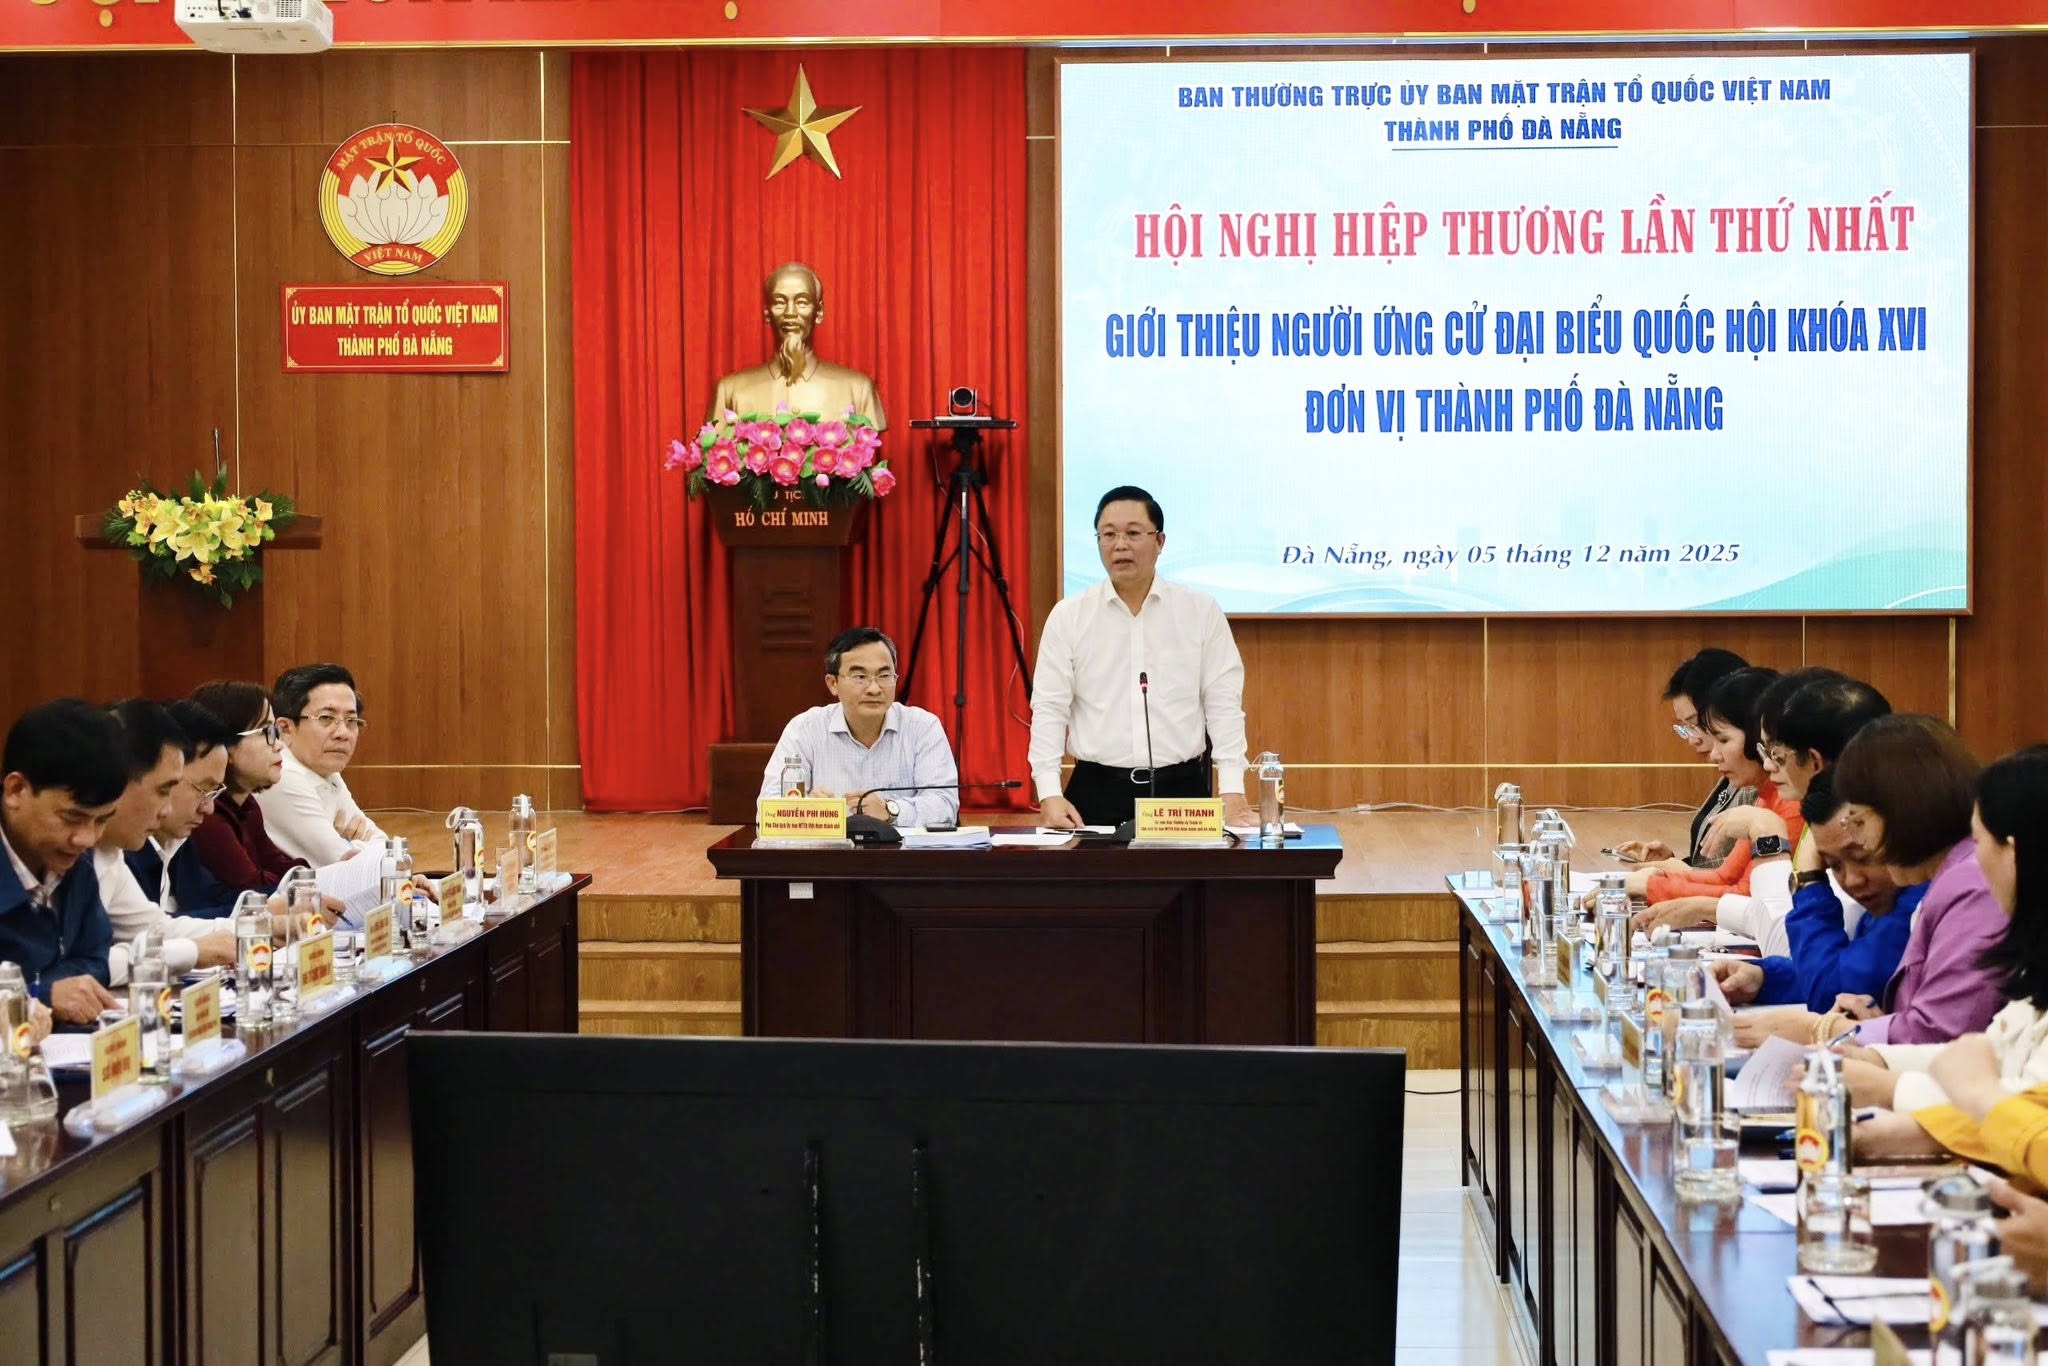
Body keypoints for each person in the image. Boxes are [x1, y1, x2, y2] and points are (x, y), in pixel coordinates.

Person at [1743, 715, 2002, 1050]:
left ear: (1908, 807)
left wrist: (1822, 1030)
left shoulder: (1971, 885)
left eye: (1859, 821)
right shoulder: (1945, 877)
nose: (1860, 839)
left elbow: (1938, 1034)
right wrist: (1768, 978)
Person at [1849, 747, 2048, 1164]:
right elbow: (1991, 1058)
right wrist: (1877, 1058)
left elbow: (2022, 1111)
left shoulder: (1966, 887)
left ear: (2013, 855)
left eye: (1979, 841)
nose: (1974, 858)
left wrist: (1890, 1088)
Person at [1030, 486, 1251, 829]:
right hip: (1095, 791)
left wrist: (1232, 787)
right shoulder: (1069, 616)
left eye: (1133, 533)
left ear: (1159, 541)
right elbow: (1049, 707)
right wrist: (1048, 792)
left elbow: (1223, 704)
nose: (1120, 545)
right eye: (1108, 535)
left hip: (1181, 794)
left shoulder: (1200, 611)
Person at [1695, 671, 1889, 955]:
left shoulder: (1855, 830)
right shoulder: (1831, 813)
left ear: (1814, 760)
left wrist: (1767, 837)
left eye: (1776, 754)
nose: (1768, 765)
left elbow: (1793, 949)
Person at [1715, 770, 1920, 1022]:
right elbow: (1846, 972)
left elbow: (1830, 989)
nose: (1852, 879)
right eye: (1834, 865)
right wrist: (1766, 978)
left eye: (1779, 754)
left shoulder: (1917, 893)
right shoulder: (1888, 891)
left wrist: (1809, 880)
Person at [1630, 667, 1800, 922]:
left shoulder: (1791, 803)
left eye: (1724, 740)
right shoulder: (1767, 797)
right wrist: (1659, 877)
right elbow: (1725, 877)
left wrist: (1654, 886)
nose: (1714, 754)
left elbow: (1751, 897)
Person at [0, 699, 124, 1024]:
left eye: (102, 820)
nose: (87, 839)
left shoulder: (72, 860)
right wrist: (42, 994)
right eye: (72, 818)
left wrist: (42, 989)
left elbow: (95, 960)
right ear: (15, 790)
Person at [759, 627, 959, 829]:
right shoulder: (805, 729)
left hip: (901, 850)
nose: (874, 689)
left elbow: (945, 805)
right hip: (830, 849)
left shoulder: (923, 728)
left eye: (884, 675)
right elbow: (768, 809)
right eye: (860, 677)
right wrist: (811, 810)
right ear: (833, 683)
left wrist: (891, 810)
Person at [93, 700, 235, 983]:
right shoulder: (87, 846)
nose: (166, 810)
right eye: (162, 791)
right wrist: (192, 951)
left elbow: (154, 929)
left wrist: (252, 928)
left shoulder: (109, 850)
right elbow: (76, 966)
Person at [1611, 648, 1754, 867]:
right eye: (1685, 727)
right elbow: (1721, 868)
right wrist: (1674, 864)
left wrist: (1678, 872)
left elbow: (1743, 880)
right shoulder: (1734, 773)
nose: (1692, 740)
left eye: (1696, 724)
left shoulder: (1754, 784)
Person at [709, 261, 885, 428]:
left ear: (819, 312)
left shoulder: (859, 389)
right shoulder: (730, 391)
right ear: (767, 312)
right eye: (779, 302)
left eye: (802, 302)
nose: (790, 312)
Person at [259, 663, 386, 865]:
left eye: (351, 721)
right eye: (326, 718)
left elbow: (387, 848)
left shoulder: (325, 770)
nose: (343, 733)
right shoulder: (281, 775)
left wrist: (350, 847)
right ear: (285, 728)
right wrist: (351, 844)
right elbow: (344, 865)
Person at [125, 699, 241, 920]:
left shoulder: (179, 840)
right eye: (203, 789)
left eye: (215, 792)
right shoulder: (121, 848)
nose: (209, 808)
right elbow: (151, 930)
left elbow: (214, 899)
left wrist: (271, 907)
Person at [186, 681, 306, 895]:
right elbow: (254, 888)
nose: (279, 744)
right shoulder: (207, 813)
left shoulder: (247, 804)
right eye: (266, 732)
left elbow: (279, 865)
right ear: (225, 744)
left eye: (275, 732)